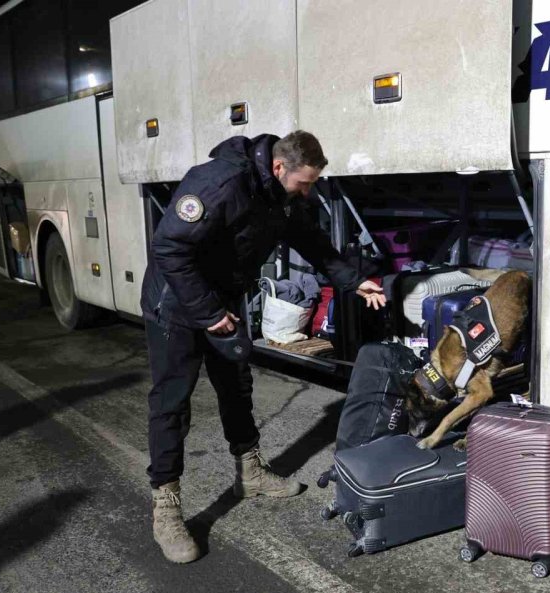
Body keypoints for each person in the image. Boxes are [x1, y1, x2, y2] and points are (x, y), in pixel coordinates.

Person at [140, 130, 386, 563]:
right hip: (176, 306)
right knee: (172, 403)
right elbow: (168, 247)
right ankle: (166, 504)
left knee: (236, 388)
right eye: (305, 183)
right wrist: (208, 312)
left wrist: (353, 279)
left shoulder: (279, 194)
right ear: (279, 167)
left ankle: (249, 473)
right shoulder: (219, 183)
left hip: (223, 302)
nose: (309, 191)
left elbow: (312, 242)